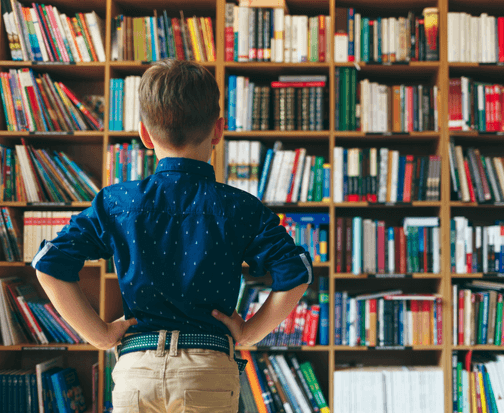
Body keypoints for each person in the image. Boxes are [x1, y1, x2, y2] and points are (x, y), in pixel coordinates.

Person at [33, 59, 313, 413]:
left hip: (137, 372)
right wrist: (250, 333)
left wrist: (100, 335)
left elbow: (49, 264)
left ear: (144, 135)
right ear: (218, 131)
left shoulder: (117, 202)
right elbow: (296, 272)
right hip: (208, 372)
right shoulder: (240, 207)